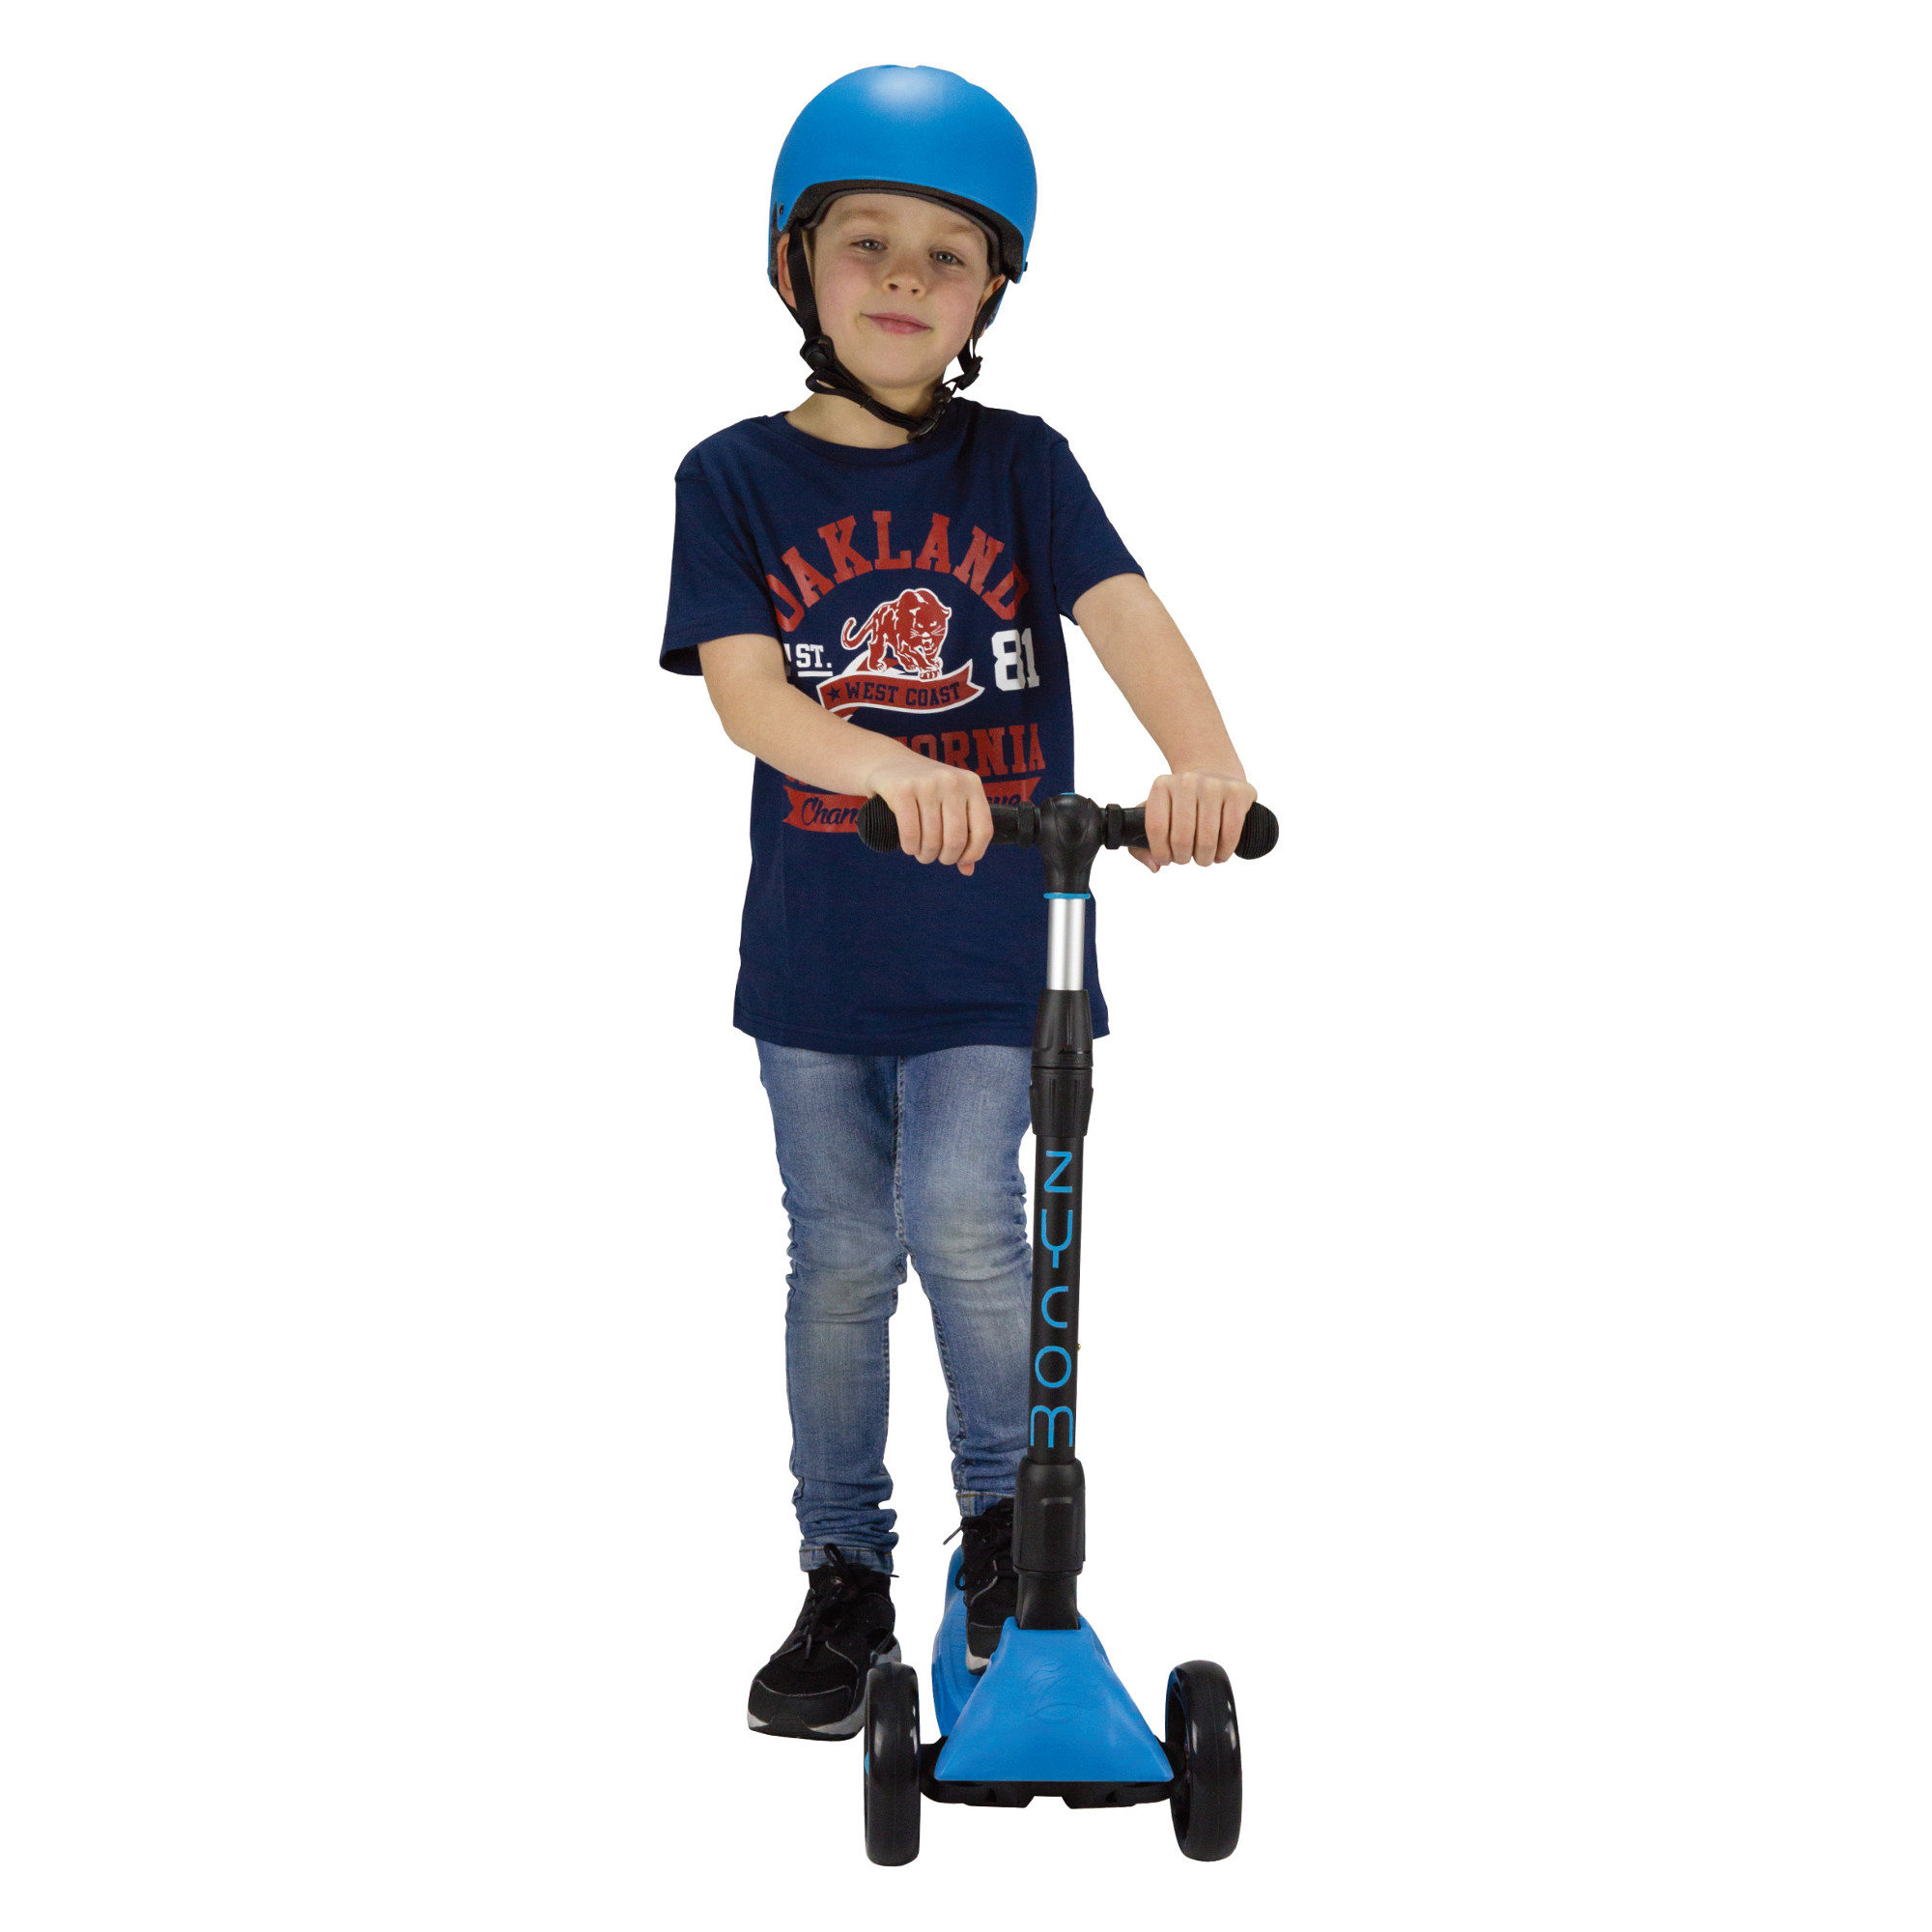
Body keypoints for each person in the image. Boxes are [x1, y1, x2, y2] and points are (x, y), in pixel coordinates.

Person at [660, 65, 1258, 1740]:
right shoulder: (733, 478)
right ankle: (844, 1570)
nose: (906, 278)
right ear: (797, 267)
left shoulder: (1022, 467)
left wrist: (1203, 763)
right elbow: (751, 698)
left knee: (971, 1228)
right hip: (816, 963)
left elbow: (1125, 616)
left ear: (991, 292)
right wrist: (881, 760)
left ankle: (1007, 1542)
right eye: (868, 243)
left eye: (947, 254)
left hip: (1002, 951)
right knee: (842, 1259)